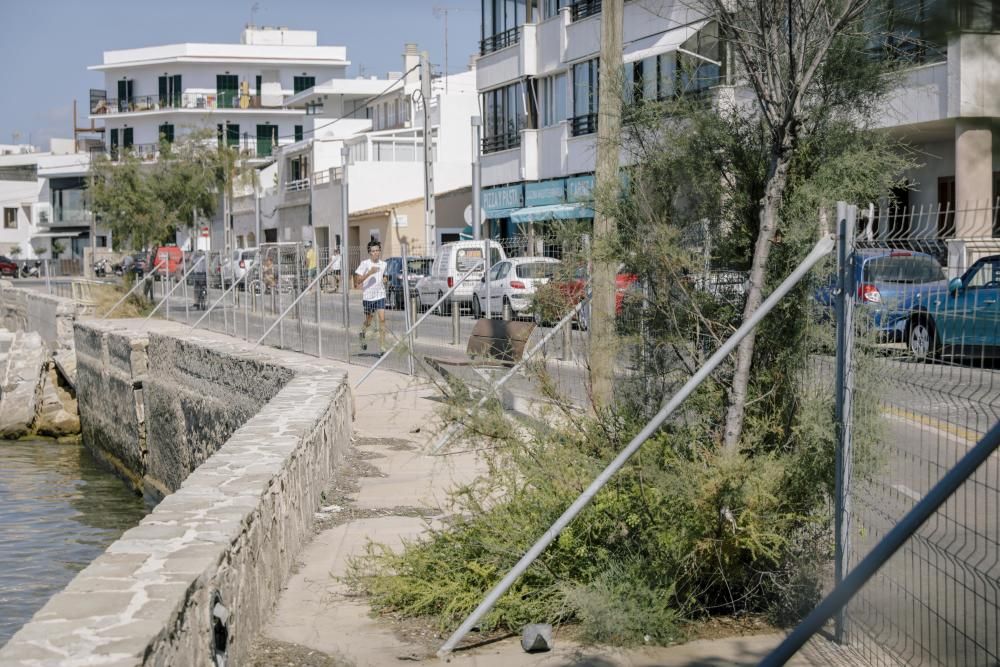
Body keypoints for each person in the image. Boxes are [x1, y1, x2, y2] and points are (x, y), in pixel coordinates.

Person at [354, 239, 388, 352]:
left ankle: (382, 346)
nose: (376, 253)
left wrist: (385, 279)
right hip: (368, 297)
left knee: (382, 320)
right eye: (373, 251)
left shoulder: (384, 264)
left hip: (380, 295)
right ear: (370, 252)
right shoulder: (365, 264)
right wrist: (370, 273)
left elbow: (385, 277)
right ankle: (362, 333)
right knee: (369, 321)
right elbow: (357, 281)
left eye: (378, 250)